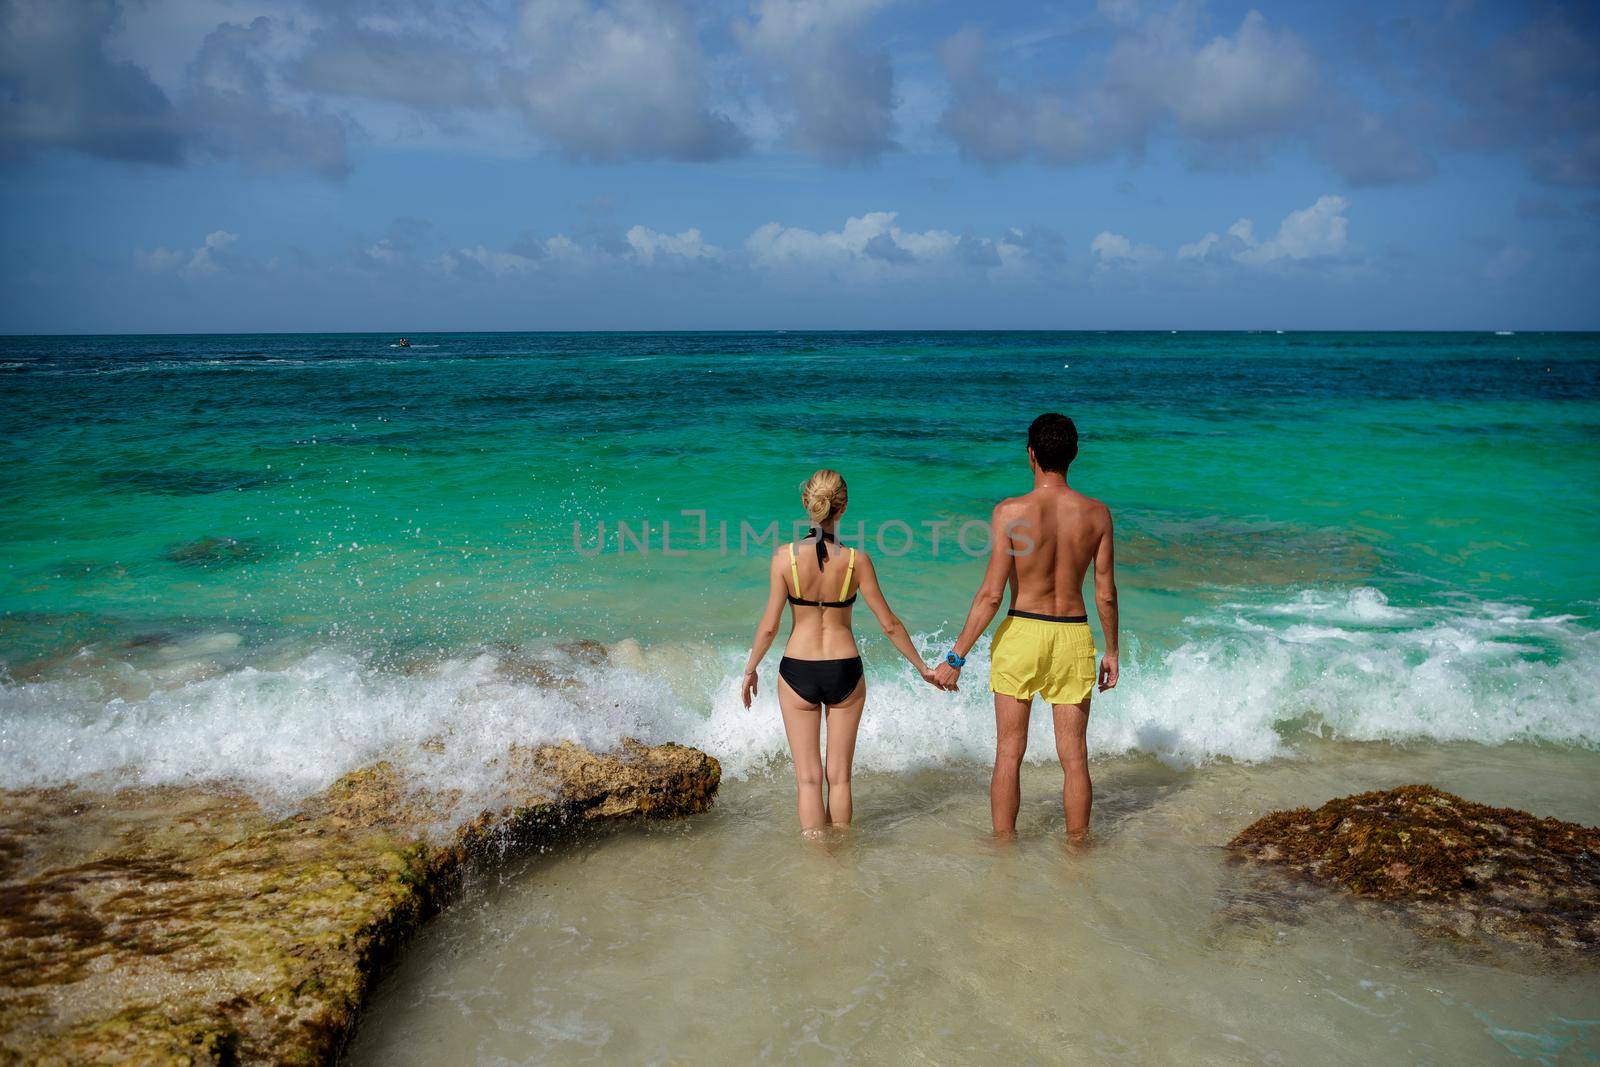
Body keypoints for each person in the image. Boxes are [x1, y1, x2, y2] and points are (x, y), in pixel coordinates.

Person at [933, 414, 1119, 839]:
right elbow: (1105, 593)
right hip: (1073, 633)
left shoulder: (1010, 512)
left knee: (1009, 752)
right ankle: (1077, 852)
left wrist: (955, 658)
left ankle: (1004, 852)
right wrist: (1111, 650)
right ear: (1074, 455)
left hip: (1022, 631)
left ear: (1031, 455)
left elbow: (991, 596)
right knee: (1074, 757)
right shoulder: (1097, 514)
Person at [741, 469, 941, 832]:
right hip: (845, 671)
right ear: (843, 507)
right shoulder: (856, 561)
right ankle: (842, 868)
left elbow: (769, 626)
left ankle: (818, 871)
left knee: (808, 780)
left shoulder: (783, 558)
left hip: (798, 670)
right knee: (841, 778)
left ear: (806, 502)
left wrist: (750, 668)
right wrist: (922, 667)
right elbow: (890, 624)